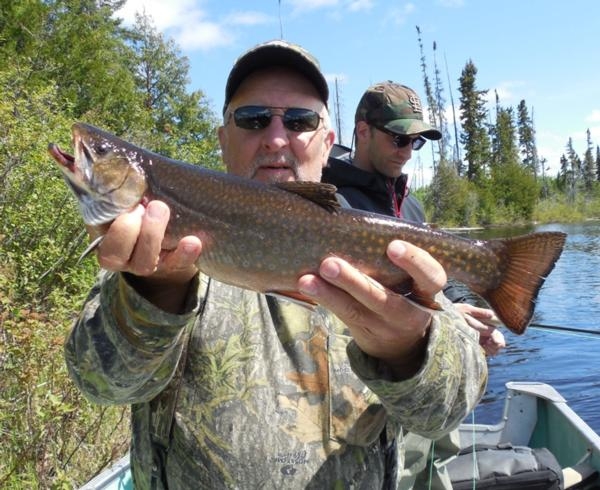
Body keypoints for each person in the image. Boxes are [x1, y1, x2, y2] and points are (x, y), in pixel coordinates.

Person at [65, 41, 488, 489]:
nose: (276, 137)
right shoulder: (146, 250)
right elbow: (105, 386)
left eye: (300, 120)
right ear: (222, 138)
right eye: (253, 119)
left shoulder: (373, 244)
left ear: (328, 144)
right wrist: (154, 296)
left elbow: (448, 409)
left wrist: (409, 347)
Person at [322, 81, 505, 488]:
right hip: (360, 391)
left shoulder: (409, 202)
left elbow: (434, 273)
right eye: (400, 139)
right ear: (363, 131)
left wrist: (464, 313)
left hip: (420, 381)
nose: (407, 151)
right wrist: (442, 315)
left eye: (416, 142)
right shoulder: (330, 201)